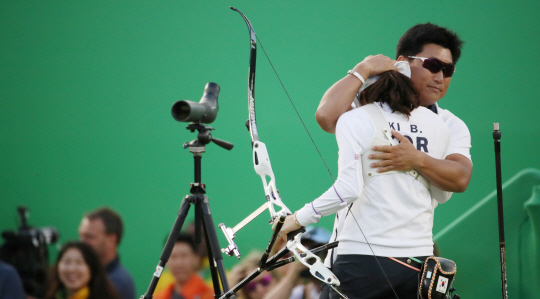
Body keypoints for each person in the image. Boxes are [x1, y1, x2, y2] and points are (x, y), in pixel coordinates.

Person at [280, 59, 453, 298]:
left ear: (362, 90)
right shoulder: (438, 125)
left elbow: (349, 189)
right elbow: (442, 194)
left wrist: (297, 219)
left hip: (363, 261)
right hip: (419, 263)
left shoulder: (355, 119)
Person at [79, 208, 135, 299]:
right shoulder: (91, 275)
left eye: (89, 237)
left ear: (112, 240)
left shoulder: (118, 282)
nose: (82, 242)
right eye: (81, 235)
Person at [45, 241, 120, 299]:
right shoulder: (46, 294)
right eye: (67, 262)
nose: (72, 269)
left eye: (79, 263)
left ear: (92, 268)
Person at [153, 233, 213, 299]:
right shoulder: (160, 296)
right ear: (166, 261)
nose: (178, 263)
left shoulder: (210, 295)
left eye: (184, 256)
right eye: (173, 256)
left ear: (196, 258)